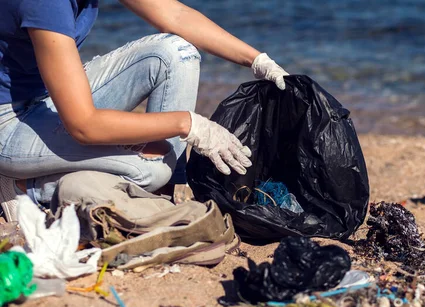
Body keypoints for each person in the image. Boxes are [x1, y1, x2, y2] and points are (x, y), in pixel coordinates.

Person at [0, 0, 288, 221]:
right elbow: (83, 125)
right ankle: (27, 186)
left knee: (175, 51)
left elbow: (174, 15)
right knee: (151, 168)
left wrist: (259, 61)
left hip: (48, 97)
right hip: (9, 124)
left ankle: (168, 189)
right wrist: (189, 125)